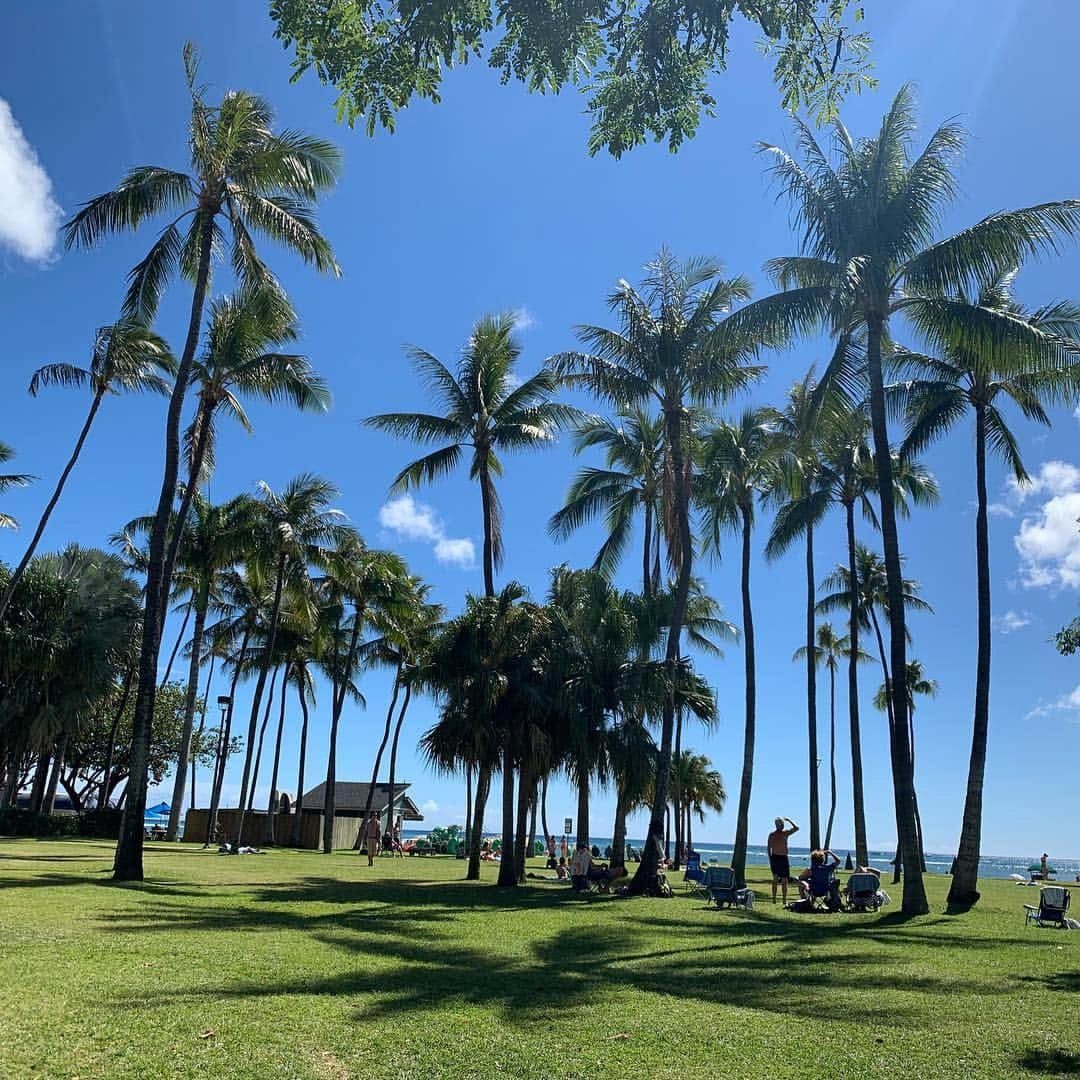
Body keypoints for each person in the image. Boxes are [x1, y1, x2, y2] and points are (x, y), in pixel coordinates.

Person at [767, 816, 799, 904]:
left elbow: (796, 828)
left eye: (782, 824)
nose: (781, 826)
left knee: (785, 880)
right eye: (780, 824)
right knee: (775, 879)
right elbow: (769, 847)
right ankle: (774, 899)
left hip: (784, 858)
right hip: (775, 858)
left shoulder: (785, 833)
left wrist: (789, 820)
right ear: (776, 825)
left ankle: (784, 900)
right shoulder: (772, 835)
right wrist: (770, 859)